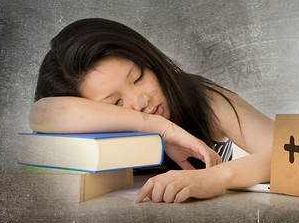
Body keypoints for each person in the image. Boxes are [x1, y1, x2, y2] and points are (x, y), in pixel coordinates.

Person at [29, 18, 274, 203]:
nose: (142, 100)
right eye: (115, 104)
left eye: (139, 77)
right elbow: (41, 113)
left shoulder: (201, 98)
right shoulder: (75, 119)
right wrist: (159, 128)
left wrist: (218, 177)